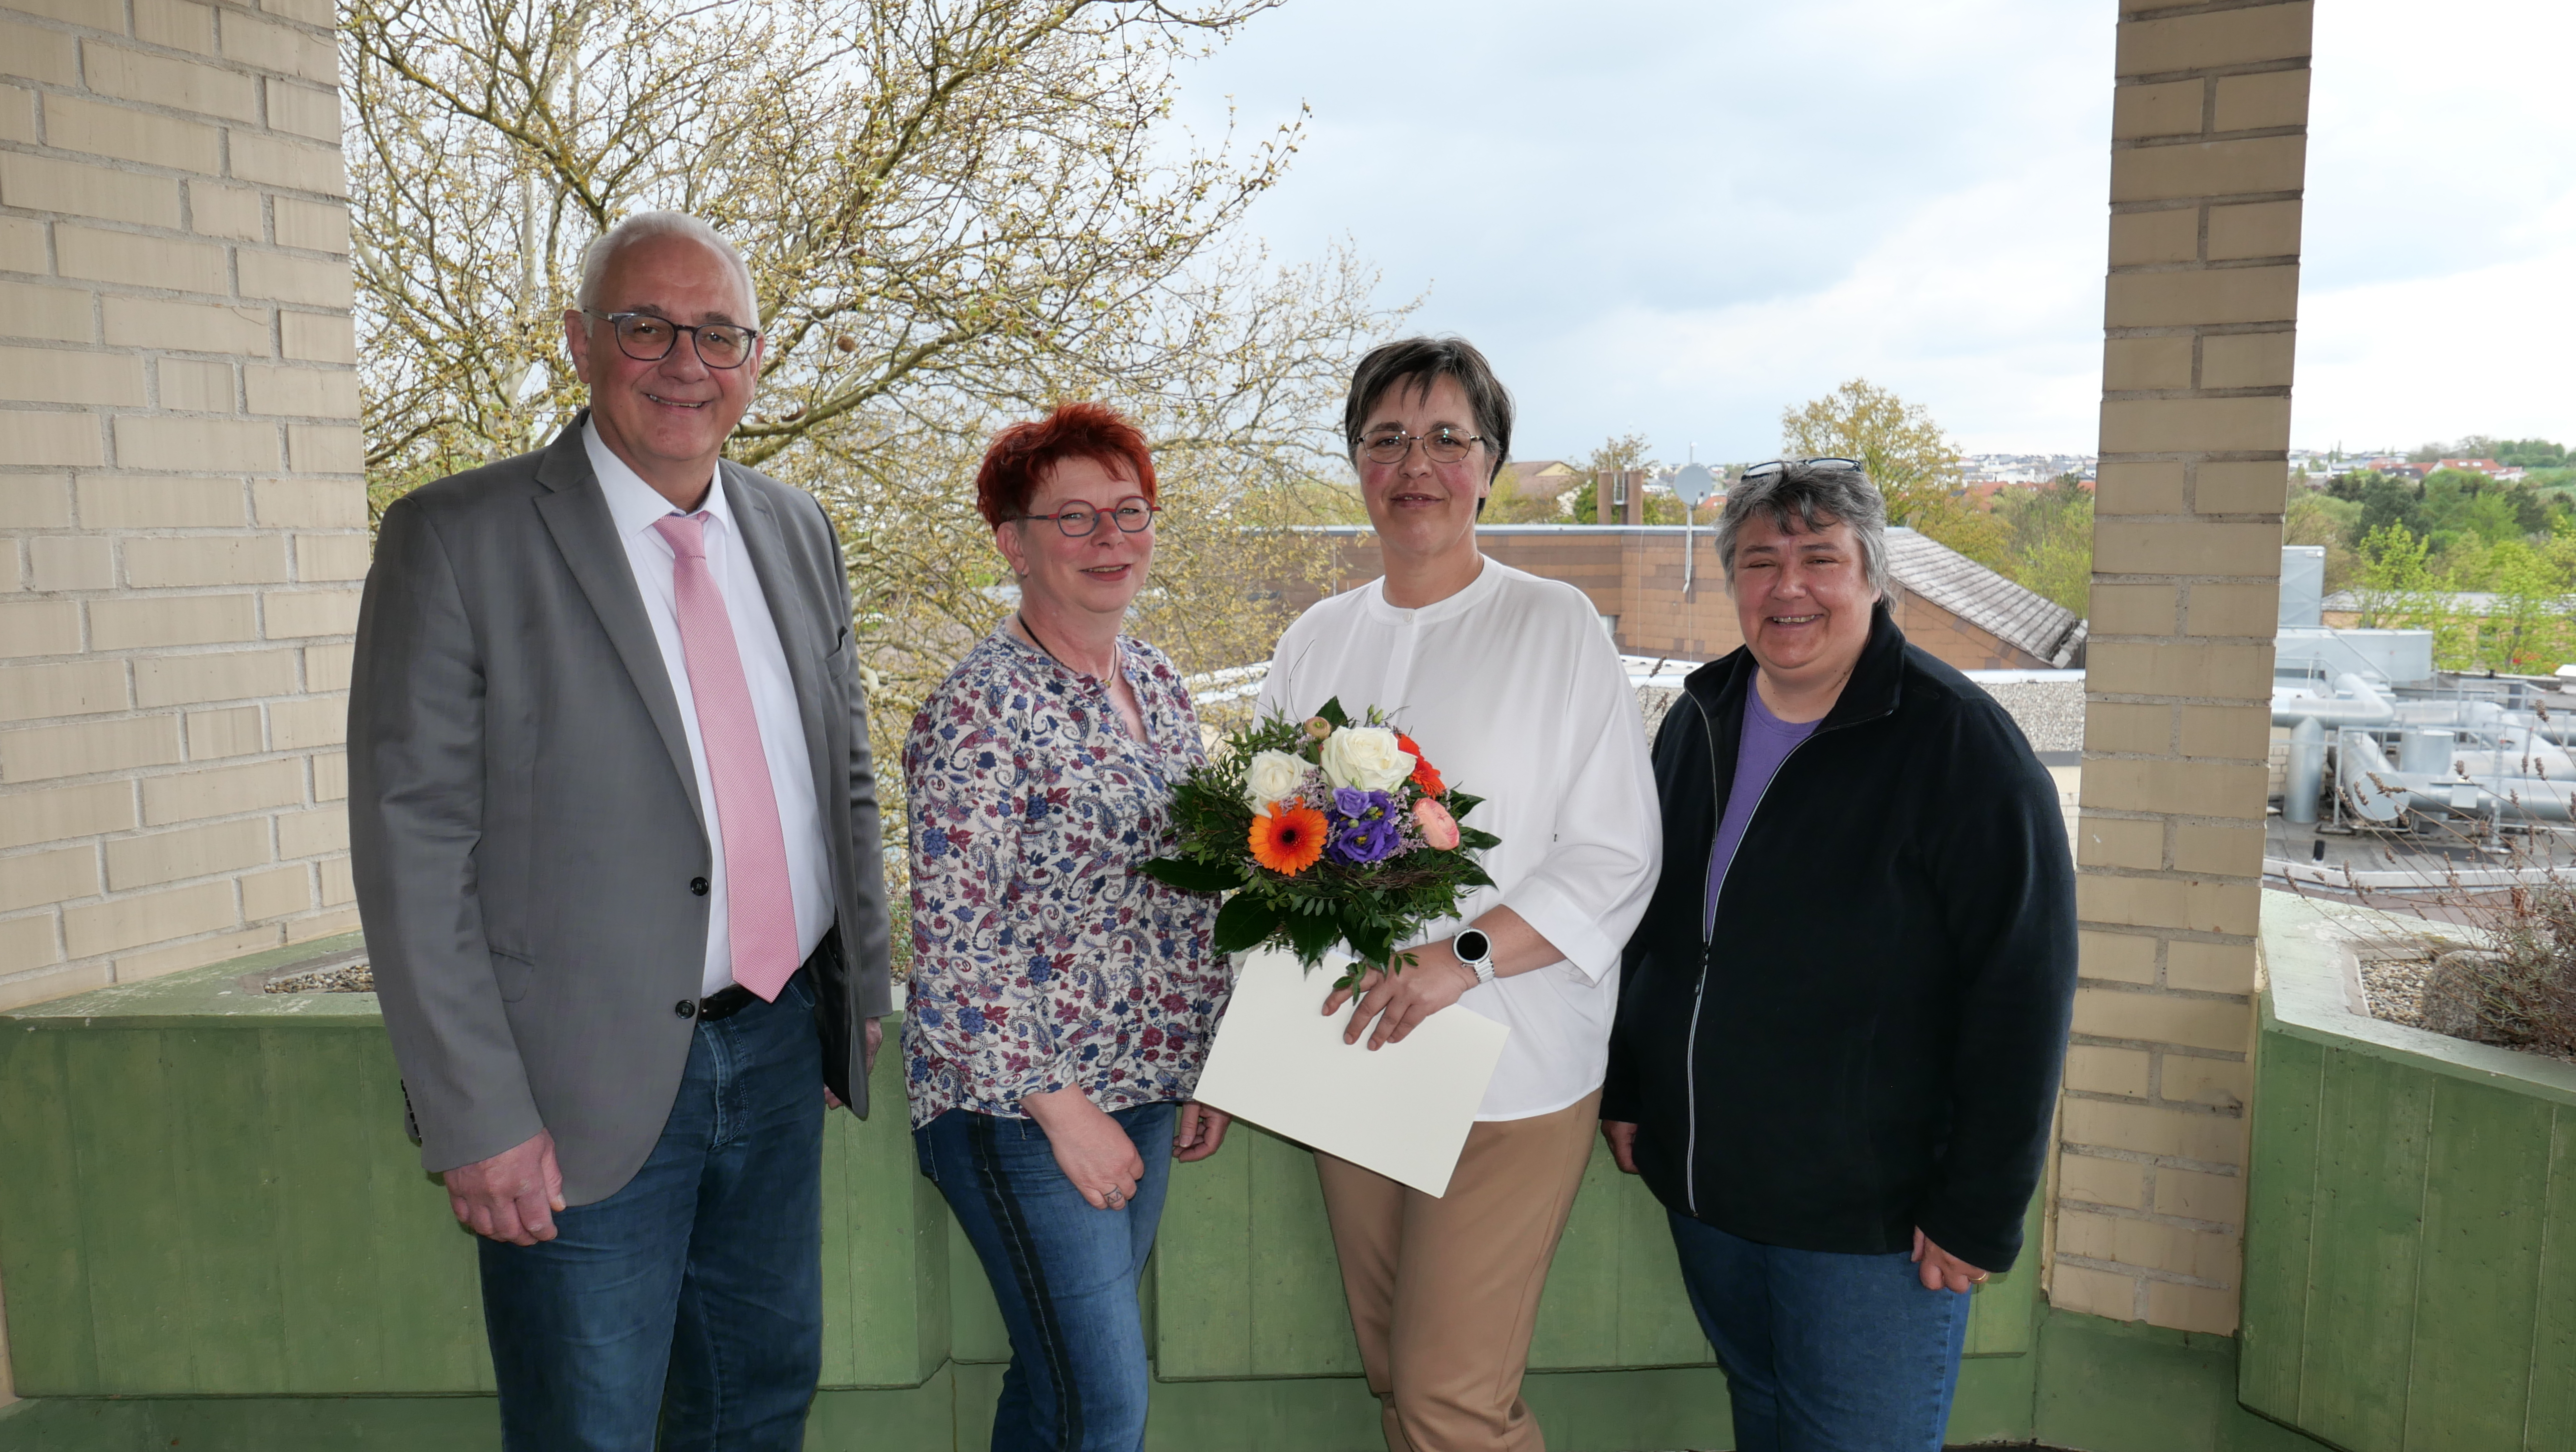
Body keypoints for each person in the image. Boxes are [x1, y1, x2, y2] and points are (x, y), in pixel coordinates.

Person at [348, 210, 891, 1452]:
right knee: (588, 1428)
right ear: (580, 340)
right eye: (645, 326)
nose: (683, 362)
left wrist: (850, 981)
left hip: (773, 1056)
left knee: (755, 1405)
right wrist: (473, 1113)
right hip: (569, 1094)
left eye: (718, 334)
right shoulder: (456, 538)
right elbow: (410, 847)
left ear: (756, 359)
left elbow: (841, 776)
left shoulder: (794, 530)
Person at [1602, 459, 2078, 1452]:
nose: (1787, 587)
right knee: (1765, 1418)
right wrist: (1629, 1088)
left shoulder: (1959, 748)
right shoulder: (1698, 719)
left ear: (1871, 578)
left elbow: (2020, 992)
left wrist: (1977, 1209)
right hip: (1713, 1192)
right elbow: (1650, 922)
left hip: (1872, 1224)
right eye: (1760, 560)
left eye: (1819, 558)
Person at [1252, 336, 1662, 1452]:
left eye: (1445, 439)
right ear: (1354, 463)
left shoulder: (1556, 626)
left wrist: (1458, 959)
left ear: (1489, 465)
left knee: (1449, 1399)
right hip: (1356, 1049)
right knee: (1398, 1371)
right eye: (1385, 439)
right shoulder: (1314, 639)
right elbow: (1271, 850)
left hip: (1512, 1059)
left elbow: (1615, 852)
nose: (1414, 464)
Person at [903, 400, 1237, 1452]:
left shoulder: (1157, 683)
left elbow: (1188, 895)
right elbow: (953, 948)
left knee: (1058, 1392)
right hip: (1022, 1109)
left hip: (1143, 1089)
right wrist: (1064, 1113)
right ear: (1013, 542)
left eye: (1128, 514)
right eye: (1075, 519)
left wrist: (1204, 1064)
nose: (1110, 542)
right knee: (1102, 1404)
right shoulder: (976, 710)